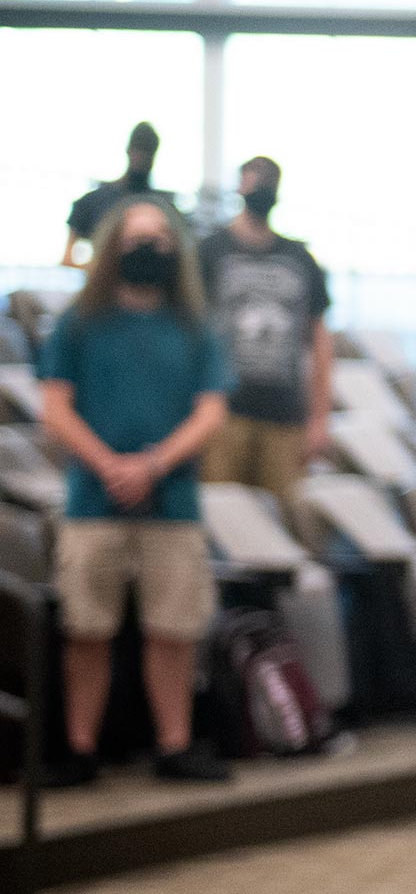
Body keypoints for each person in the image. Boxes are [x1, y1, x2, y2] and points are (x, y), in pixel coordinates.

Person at [37, 197, 232, 786]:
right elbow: (54, 408)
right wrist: (109, 466)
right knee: (86, 631)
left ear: (176, 248)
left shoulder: (197, 327)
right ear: (111, 245)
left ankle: (173, 746)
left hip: (172, 503)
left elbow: (211, 413)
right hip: (92, 502)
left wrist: (150, 466)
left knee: (172, 631)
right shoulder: (79, 322)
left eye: (158, 238)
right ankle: (79, 749)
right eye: (134, 236)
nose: (147, 248)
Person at [198, 157, 333, 518]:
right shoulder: (209, 252)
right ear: (240, 186)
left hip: (285, 416)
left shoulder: (299, 259)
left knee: (283, 525)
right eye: (255, 182)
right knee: (225, 522)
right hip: (225, 415)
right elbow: (189, 331)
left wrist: (319, 418)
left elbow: (320, 341)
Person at [62, 121, 167, 268]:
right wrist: (101, 273)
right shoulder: (93, 202)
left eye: (147, 151)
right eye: (139, 149)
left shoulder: (163, 209)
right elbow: (67, 258)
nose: (142, 158)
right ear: (129, 150)